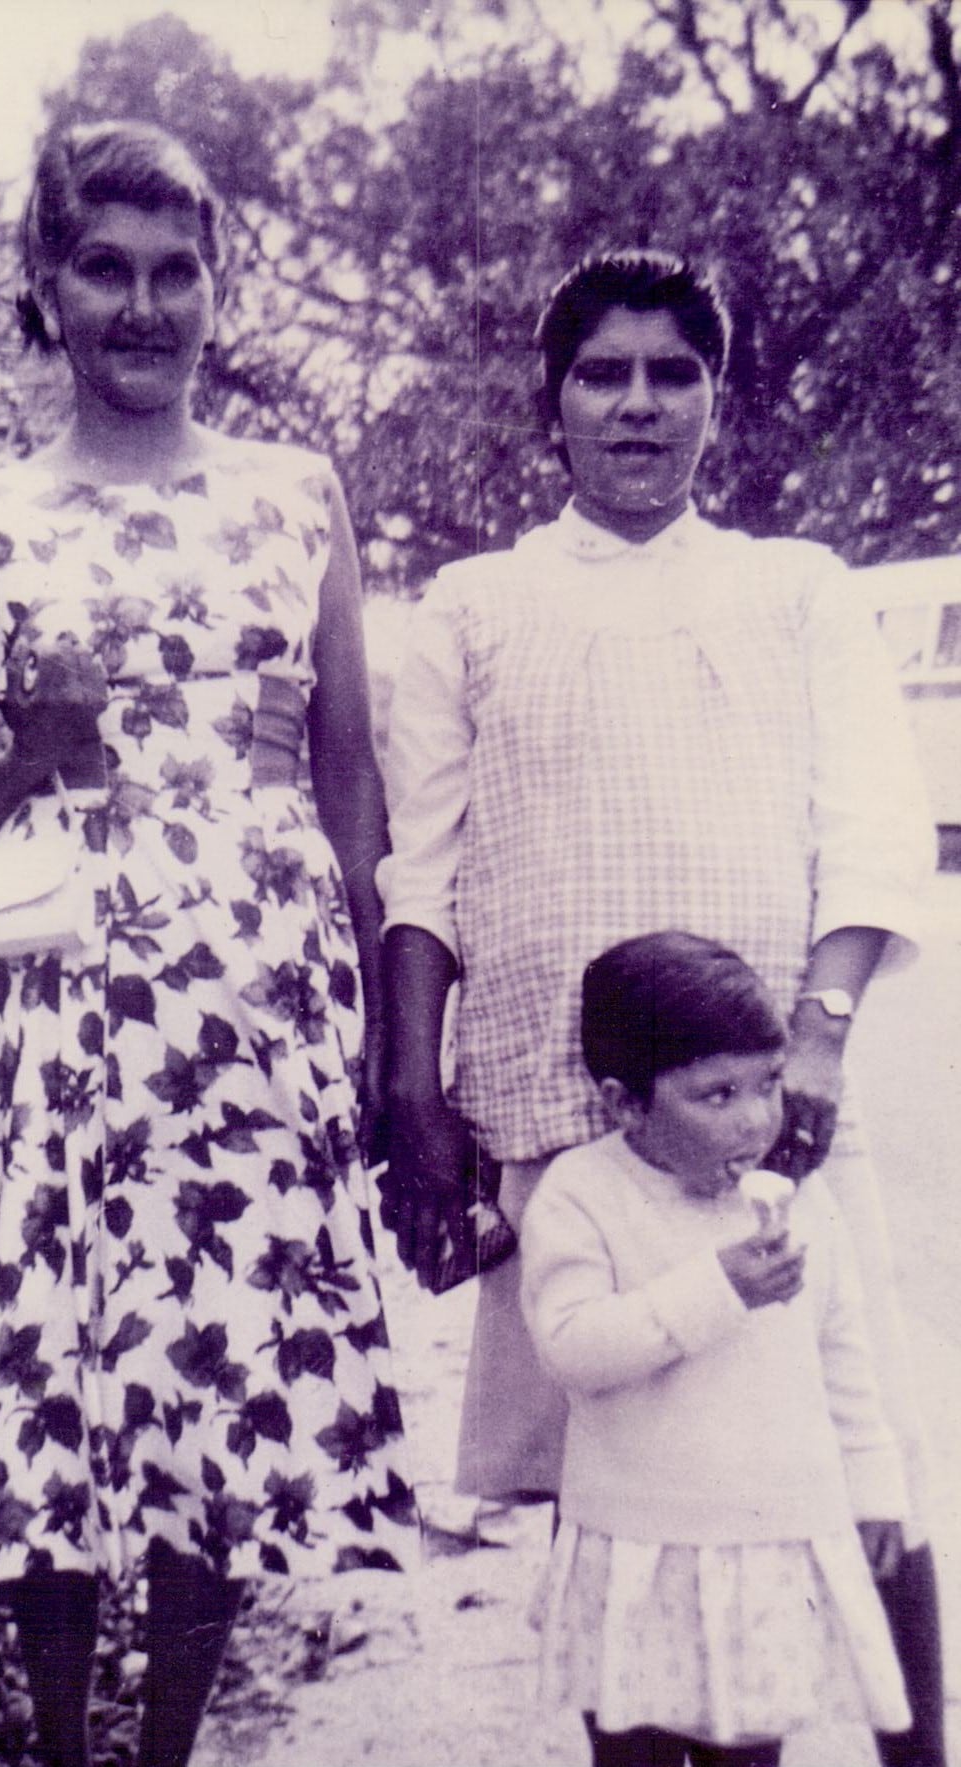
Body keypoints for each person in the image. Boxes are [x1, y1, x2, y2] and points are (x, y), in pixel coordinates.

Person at [0, 118, 415, 1767]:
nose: (144, 304)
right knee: (53, 1377)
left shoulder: (293, 495)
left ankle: (171, 1741)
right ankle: (58, 1738)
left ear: (215, 288)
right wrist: (19, 759)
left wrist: (397, 1054)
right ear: (42, 288)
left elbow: (349, 779)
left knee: (224, 1382)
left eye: (176, 269)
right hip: (43, 1012)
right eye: (103, 268)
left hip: (255, 1003)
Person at [377, 250, 944, 1765]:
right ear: (549, 405)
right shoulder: (474, 606)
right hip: (569, 1121)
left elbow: (873, 827)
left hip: (765, 1105)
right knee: (620, 1462)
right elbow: (418, 867)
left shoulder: (794, 589)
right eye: (600, 373)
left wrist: (813, 1042)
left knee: (847, 1435)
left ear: (715, 395)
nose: (636, 404)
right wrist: (417, 1094)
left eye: (671, 371)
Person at [520, 931, 912, 1767]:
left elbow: (842, 1351)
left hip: (759, 1554)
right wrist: (717, 1290)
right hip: (637, 1550)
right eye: (717, 1093)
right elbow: (572, 1345)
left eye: (768, 1083)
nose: (756, 1118)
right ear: (627, 1104)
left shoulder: (795, 1200)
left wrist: (874, 1482)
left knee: (751, 1752)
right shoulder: (585, 1194)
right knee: (634, 1753)